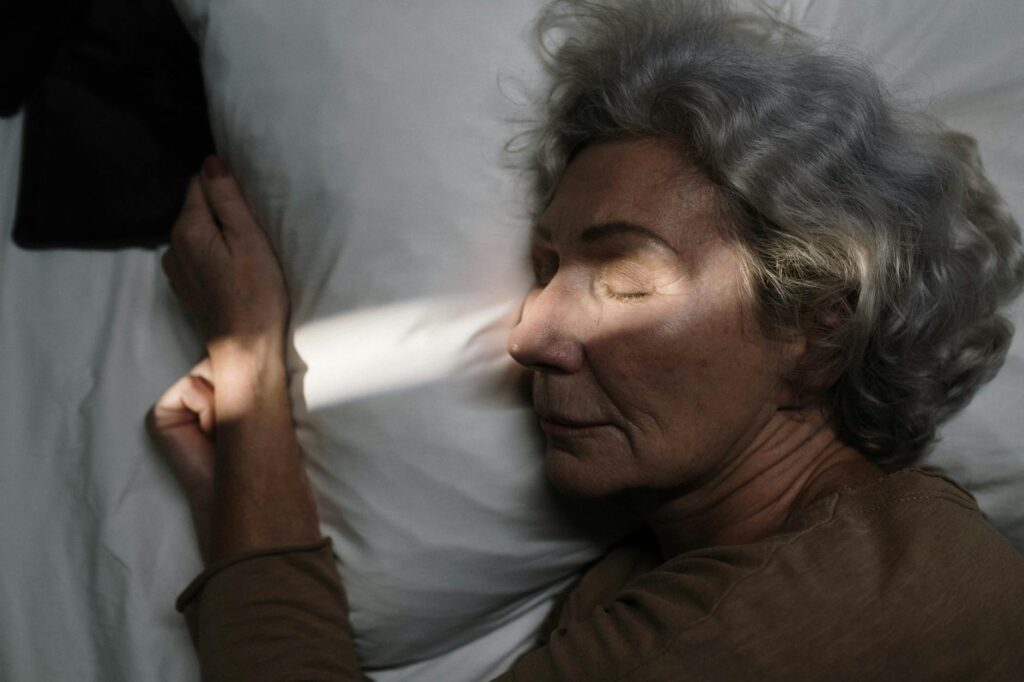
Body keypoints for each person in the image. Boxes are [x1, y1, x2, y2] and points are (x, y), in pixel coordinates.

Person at [147, 0, 1024, 679]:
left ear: (817, 324)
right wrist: (241, 479)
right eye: (544, 270)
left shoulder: (845, 596)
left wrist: (253, 371)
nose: (528, 333)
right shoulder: (698, 569)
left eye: (624, 281)